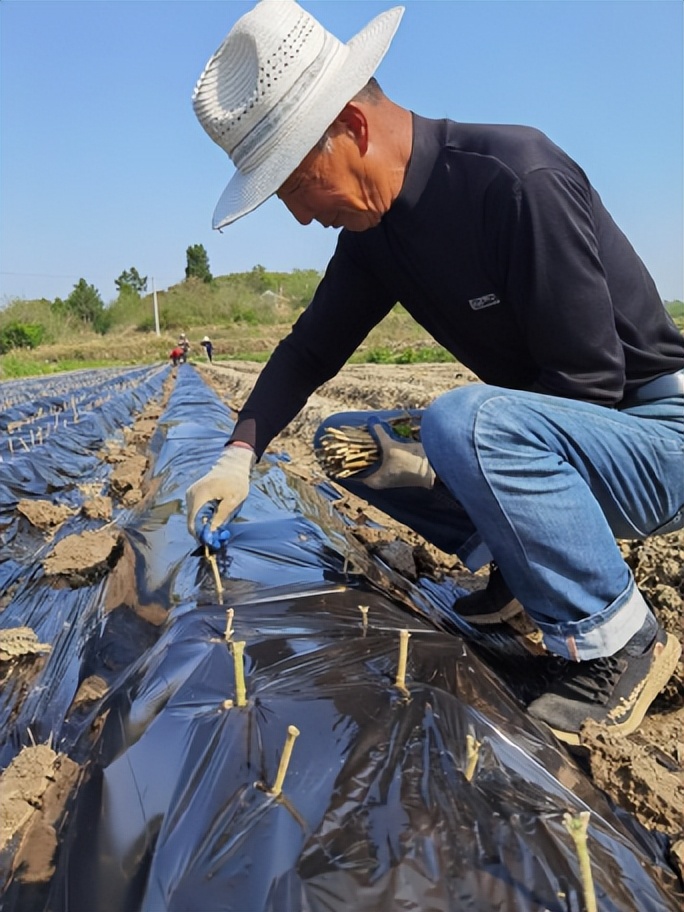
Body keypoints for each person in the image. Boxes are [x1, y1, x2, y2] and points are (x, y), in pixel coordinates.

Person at [186, 0, 684, 744]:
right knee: (349, 440)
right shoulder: (376, 234)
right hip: (566, 435)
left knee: (459, 423)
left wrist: (456, 447)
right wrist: (236, 456)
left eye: (296, 186)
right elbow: (309, 351)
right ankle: (517, 580)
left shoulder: (514, 177)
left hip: (654, 437)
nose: (300, 217)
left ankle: (620, 643)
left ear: (353, 128)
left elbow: (591, 383)